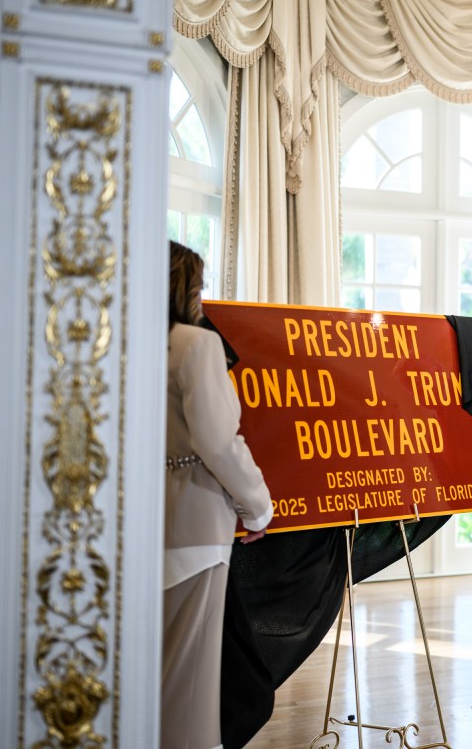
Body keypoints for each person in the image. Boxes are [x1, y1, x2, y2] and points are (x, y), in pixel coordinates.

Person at [162, 241, 273, 749]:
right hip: (196, 524)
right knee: (191, 684)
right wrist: (258, 508)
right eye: (198, 286)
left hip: (137, 522)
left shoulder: (112, 342)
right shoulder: (195, 345)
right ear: (182, 289)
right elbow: (218, 442)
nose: (202, 298)